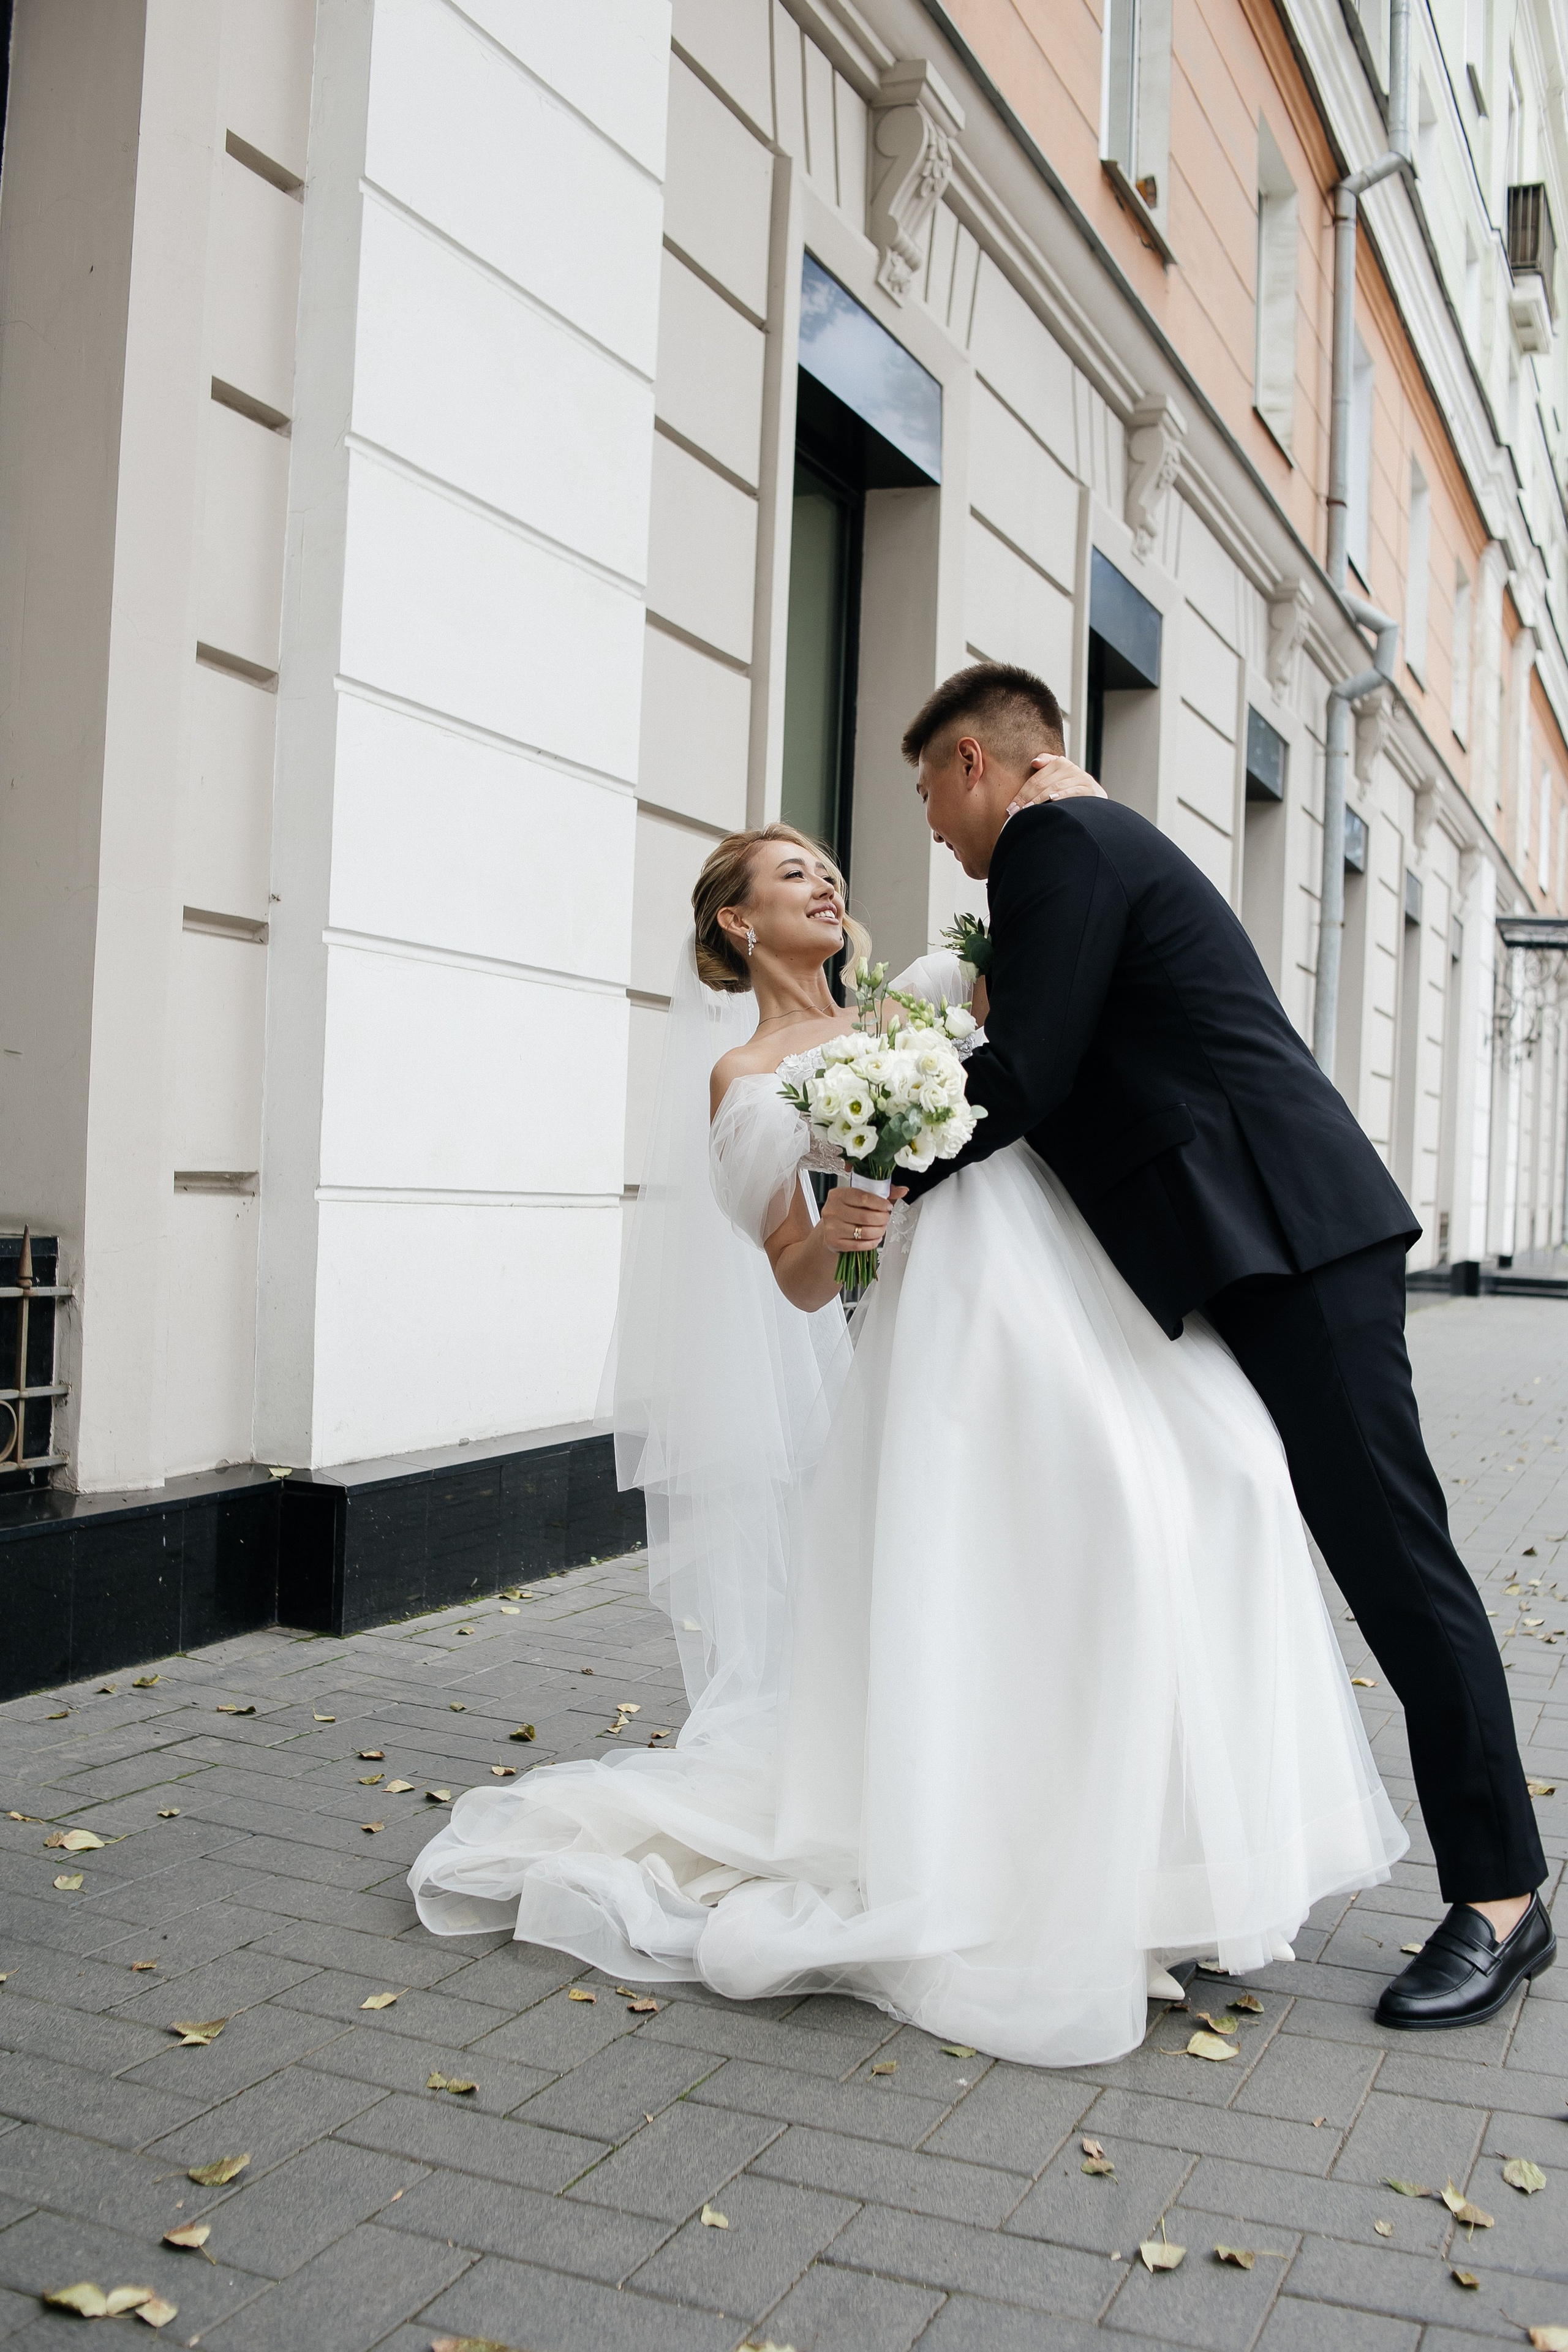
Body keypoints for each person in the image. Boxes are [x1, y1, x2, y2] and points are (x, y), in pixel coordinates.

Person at [410, 816, 1408, 2067]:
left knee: (1224, 1474)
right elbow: (793, 1275)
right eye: (791, 875)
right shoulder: (746, 1082)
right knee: (1059, 1544)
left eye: (827, 868)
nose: (824, 882)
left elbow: (1042, 1031)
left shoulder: (923, 997)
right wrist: (851, 1215)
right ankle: (1047, 1875)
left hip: (1074, 1289)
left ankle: (1159, 1863)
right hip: (947, 1335)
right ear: (735, 921)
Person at [904, 660, 1553, 2032]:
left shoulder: (1053, 840)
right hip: (1248, 1243)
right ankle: (1181, 1866)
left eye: (927, 794)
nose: (930, 833)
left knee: (1390, 1553)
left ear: (975, 762)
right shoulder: (1084, 838)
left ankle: (1500, 1900)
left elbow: (1025, 1070)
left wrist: (865, 1146)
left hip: (1289, 1238)